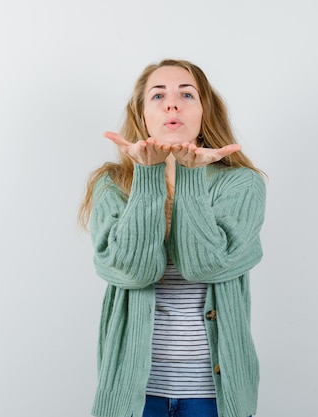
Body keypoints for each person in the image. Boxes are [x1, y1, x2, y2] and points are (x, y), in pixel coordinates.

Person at [78, 59, 266, 417]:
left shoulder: (241, 183)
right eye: (158, 95)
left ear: (204, 110)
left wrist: (190, 176)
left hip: (213, 394)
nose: (172, 104)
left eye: (187, 94)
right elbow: (134, 271)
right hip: (134, 392)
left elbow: (204, 265)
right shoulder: (113, 184)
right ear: (142, 113)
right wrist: (147, 175)